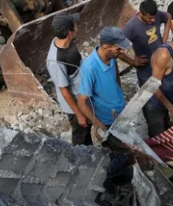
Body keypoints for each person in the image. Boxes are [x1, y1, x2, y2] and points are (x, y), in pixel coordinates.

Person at [46, 13, 92, 145]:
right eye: (75, 26)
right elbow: (64, 91)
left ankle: (91, 153)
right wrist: (79, 114)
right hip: (76, 104)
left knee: (87, 129)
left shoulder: (65, 41)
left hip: (83, 94)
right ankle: (80, 160)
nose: (77, 27)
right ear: (69, 33)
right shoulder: (56, 61)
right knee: (80, 135)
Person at [77, 26, 131, 134]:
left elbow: (116, 78)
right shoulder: (89, 68)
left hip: (121, 111)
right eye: (118, 48)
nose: (122, 51)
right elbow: (81, 102)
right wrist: (99, 126)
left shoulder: (112, 58)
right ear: (106, 46)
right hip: (107, 120)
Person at [123, 0, 172, 88]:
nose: (153, 20)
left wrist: (164, 41)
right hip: (146, 68)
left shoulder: (157, 15)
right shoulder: (131, 27)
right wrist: (133, 62)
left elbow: (168, 17)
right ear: (141, 13)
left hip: (161, 60)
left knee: (163, 88)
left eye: (154, 17)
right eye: (149, 18)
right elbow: (116, 49)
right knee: (148, 93)